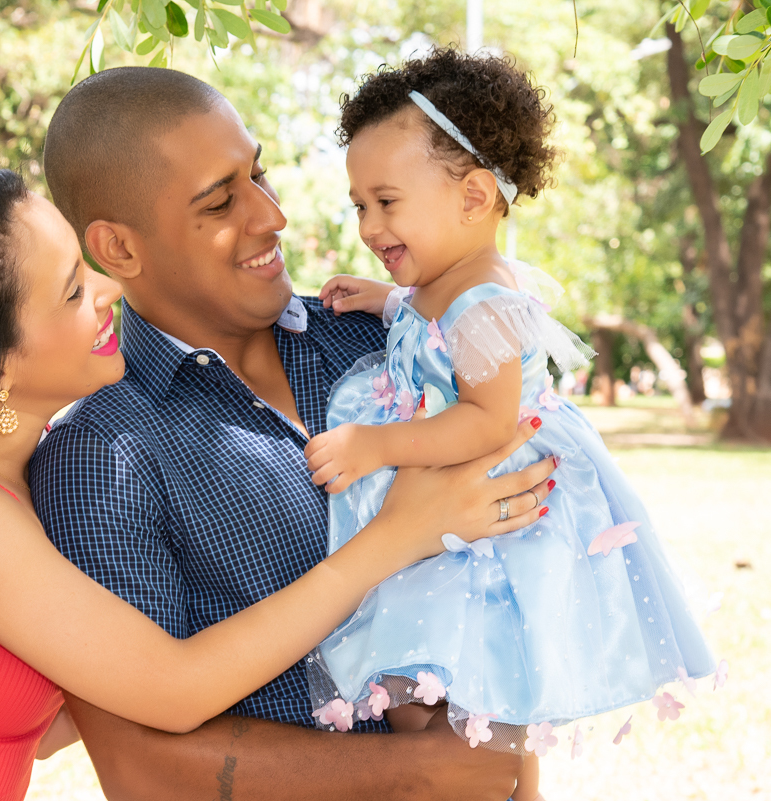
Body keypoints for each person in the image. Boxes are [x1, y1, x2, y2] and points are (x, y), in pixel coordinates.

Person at [0, 170, 552, 801]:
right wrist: (390, 540)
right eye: (73, 291)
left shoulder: (2, 483)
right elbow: (174, 686)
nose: (109, 292)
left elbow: (29, 712)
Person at [29, 66, 556, 801]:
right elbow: (146, 771)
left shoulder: (383, 339)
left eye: (259, 174)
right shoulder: (97, 457)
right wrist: (432, 773)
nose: (271, 214)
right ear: (118, 250)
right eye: (220, 201)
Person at [302, 50, 718, 800]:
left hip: (494, 533)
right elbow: (432, 327)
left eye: (387, 202)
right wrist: (385, 300)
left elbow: (491, 420)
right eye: (360, 205)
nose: (368, 225)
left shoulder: (486, 303)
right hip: (448, 524)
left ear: (472, 197)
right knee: (425, 705)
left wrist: (378, 443)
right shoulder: (447, 283)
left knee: (477, 719)